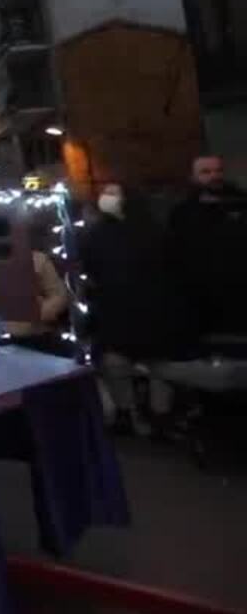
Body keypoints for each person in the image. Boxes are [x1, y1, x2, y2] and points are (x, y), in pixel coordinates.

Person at [82, 183, 191, 435]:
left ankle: (160, 414)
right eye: (104, 193)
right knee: (114, 361)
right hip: (115, 308)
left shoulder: (153, 230)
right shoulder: (97, 234)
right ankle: (126, 412)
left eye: (113, 193)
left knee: (159, 363)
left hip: (154, 306)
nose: (106, 198)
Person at [166, 155, 247, 338]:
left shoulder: (241, 203)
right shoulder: (182, 213)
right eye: (206, 172)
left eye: (218, 171)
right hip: (205, 297)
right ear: (194, 177)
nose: (214, 176)